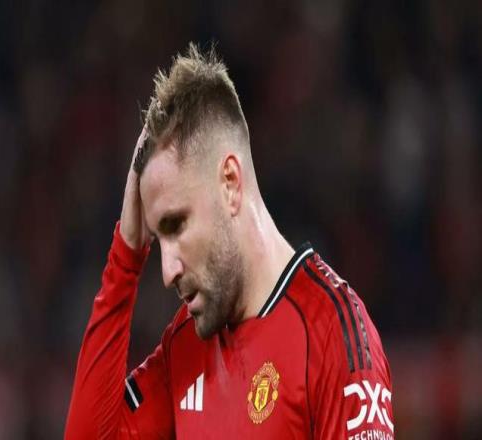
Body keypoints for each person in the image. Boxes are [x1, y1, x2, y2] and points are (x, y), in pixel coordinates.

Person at [65, 43, 394, 439]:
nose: (167, 272)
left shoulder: (332, 334)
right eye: (158, 238)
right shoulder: (185, 345)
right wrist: (127, 254)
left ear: (230, 182)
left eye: (176, 225)